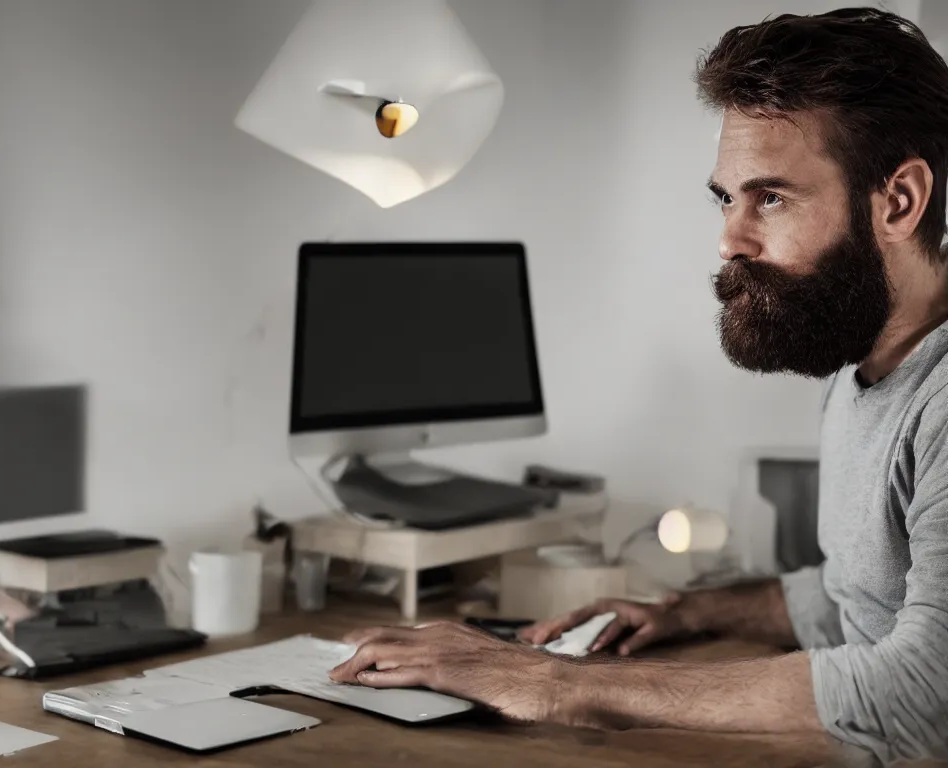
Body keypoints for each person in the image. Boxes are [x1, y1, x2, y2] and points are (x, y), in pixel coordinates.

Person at [329, 7, 948, 764]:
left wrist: (556, 684)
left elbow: (925, 695)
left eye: (772, 199)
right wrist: (686, 612)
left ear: (899, 202)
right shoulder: (865, 361)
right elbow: (865, 594)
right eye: (726, 198)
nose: (730, 239)